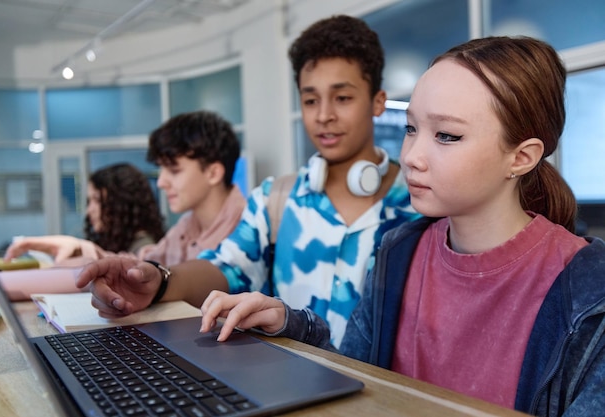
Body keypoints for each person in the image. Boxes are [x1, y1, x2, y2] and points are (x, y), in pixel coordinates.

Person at [199, 36, 605, 416]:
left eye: (446, 135)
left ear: (521, 157)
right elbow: (358, 376)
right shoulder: (399, 250)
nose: (411, 155)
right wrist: (288, 324)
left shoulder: (588, 288)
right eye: (412, 128)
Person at [76, 14, 419, 347]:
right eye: (310, 99)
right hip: (295, 387)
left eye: (342, 98)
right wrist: (159, 281)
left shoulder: (419, 206)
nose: (324, 115)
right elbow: (225, 267)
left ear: (378, 102)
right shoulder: (276, 199)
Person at [4, 111, 246, 266]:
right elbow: (145, 266)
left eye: (174, 170)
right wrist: (80, 249)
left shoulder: (248, 231)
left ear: (213, 172)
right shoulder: (186, 226)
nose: (161, 182)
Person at [5, 163, 165, 263]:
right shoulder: (118, 241)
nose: (90, 210)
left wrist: (80, 248)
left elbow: (139, 265)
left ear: (123, 203)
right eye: (89, 201)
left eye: (97, 200)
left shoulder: (145, 246)